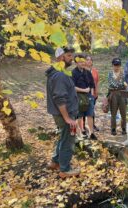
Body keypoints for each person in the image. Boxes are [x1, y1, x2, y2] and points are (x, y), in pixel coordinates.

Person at [46, 47, 80, 178]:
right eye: (69, 55)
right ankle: (65, 169)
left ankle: (55, 162)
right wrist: (67, 118)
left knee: (63, 137)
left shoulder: (57, 72)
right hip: (65, 115)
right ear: (61, 57)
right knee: (68, 141)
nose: (72, 58)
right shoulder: (59, 75)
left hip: (62, 114)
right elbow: (60, 98)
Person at [72, 54, 97, 140]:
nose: (82, 63)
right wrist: (84, 90)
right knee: (79, 115)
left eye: (83, 61)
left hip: (89, 97)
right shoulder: (73, 73)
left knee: (90, 114)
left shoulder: (87, 72)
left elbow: (92, 84)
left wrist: (92, 96)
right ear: (76, 63)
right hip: (78, 97)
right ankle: (81, 131)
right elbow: (73, 87)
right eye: (80, 62)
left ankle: (91, 133)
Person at [108, 58, 127, 135]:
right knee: (113, 113)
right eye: (115, 65)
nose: (117, 67)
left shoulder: (123, 74)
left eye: (118, 65)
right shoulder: (110, 74)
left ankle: (124, 128)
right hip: (113, 94)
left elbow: (125, 84)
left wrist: (122, 84)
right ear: (112, 65)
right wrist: (122, 84)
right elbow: (112, 84)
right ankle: (113, 128)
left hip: (122, 94)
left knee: (123, 113)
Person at [85, 55, 100, 132]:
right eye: (87, 60)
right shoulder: (82, 70)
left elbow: (97, 82)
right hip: (84, 94)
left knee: (91, 109)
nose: (89, 61)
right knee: (83, 109)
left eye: (90, 60)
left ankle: (92, 125)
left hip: (93, 93)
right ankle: (83, 126)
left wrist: (96, 91)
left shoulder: (95, 71)